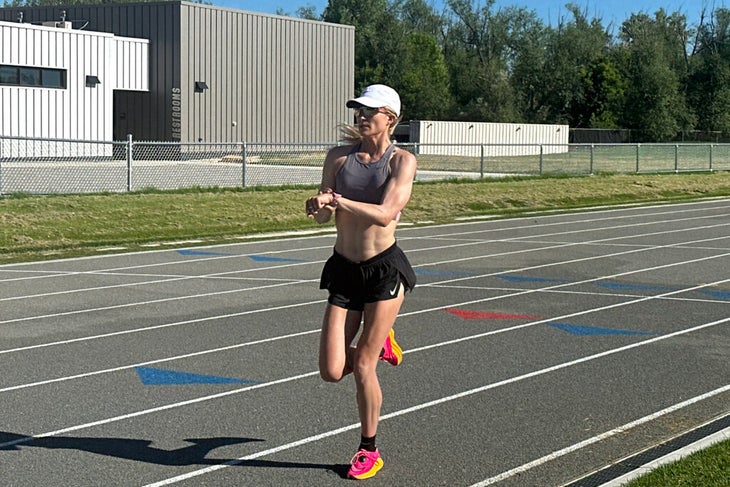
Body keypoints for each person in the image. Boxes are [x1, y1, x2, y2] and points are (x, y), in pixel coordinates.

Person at [305, 84, 417, 480]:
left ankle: (369, 448)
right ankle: (381, 335)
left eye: (370, 110)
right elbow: (322, 214)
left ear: (390, 117)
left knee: (365, 365)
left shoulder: (401, 161)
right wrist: (317, 206)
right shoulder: (338, 158)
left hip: (383, 270)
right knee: (332, 370)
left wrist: (338, 200)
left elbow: (387, 213)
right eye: (358, 108)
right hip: (344, 269)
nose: (362, 115)